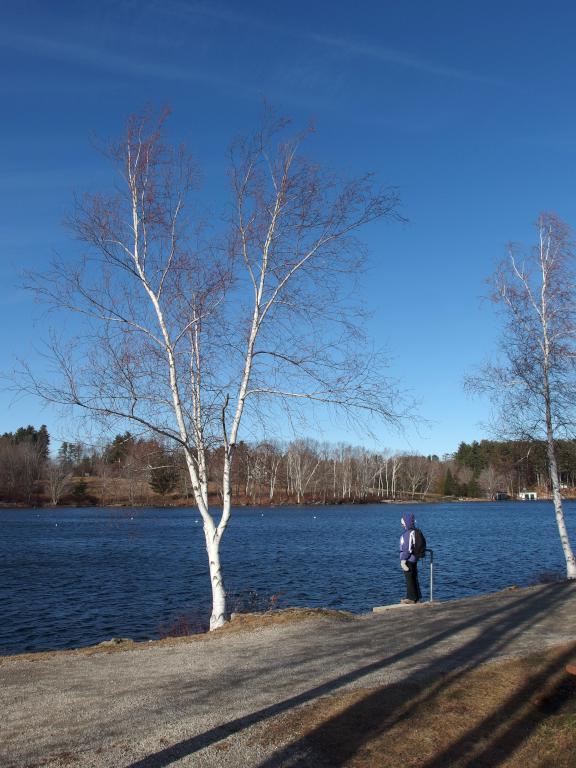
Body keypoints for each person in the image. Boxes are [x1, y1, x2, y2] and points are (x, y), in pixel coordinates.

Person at [399, 513, 421, 604]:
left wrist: (403, 561)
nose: (402, 524)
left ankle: (411, 598)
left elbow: (407, 549)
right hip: (414, 558)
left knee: (409, 579)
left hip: (408, 559)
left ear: (407, 522)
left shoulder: (408, 533)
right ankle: (417, 597)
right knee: (414, 577)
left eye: (403, 522)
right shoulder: (415, 531)